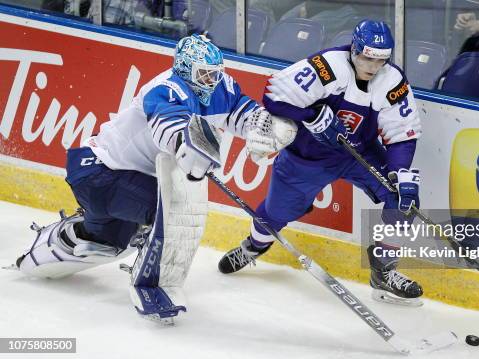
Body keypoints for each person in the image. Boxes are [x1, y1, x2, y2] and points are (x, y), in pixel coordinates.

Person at [13, 34, 288, 323]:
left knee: (109, 242)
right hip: (102, 174)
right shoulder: (166, 89)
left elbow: (242, 113)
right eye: (204, 74)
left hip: (116, 176)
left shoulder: (221, 87)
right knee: (175, 208)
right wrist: (188, 146)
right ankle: (153, 287)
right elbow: (168, 127)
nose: (211, 80)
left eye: (215, 73)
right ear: (184, 69)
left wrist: (267, 126)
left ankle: (59, 241)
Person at [218, 20, 424, 305]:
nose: (373, 67)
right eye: (367, 58)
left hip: (359, 154)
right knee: (273, 215)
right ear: (354, 49)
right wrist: (312, 115)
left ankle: (384, 271)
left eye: (380, 60)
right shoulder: (326, 67)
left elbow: (402, 134)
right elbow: (274, 97)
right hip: (307, 158)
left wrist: (400, 171)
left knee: (403, 199)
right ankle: (253, 246)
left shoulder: (392, 81)